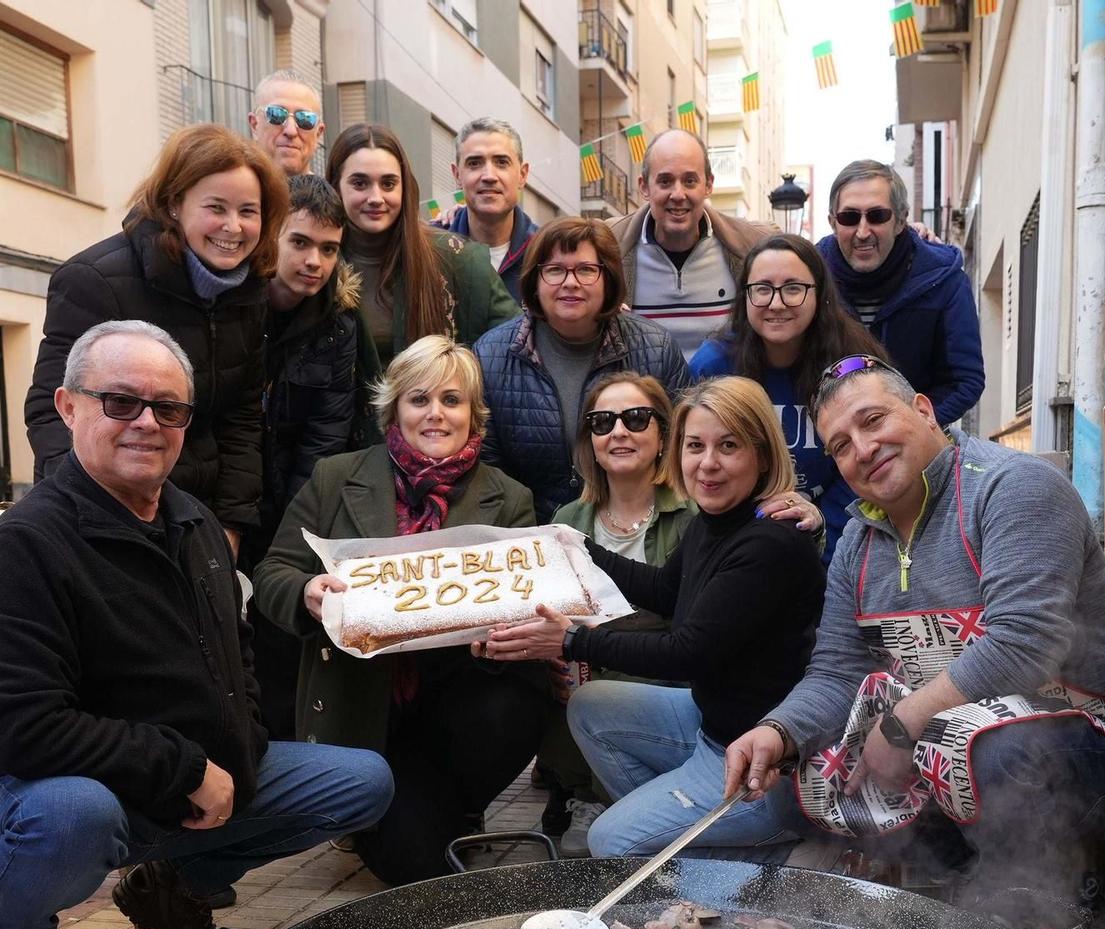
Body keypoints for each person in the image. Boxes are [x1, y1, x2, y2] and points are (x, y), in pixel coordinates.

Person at [0, 321, 393, 929]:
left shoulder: (192, 521)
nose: (147, 424)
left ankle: (174, 883)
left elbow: (238, 650)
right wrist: (188, 770)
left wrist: (240, 748)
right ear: (68, 408)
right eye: (121, 402)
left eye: (169, 408)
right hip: (50, 787)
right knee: (73, 815)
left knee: (361, 781)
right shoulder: (30, 542)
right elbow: (25, 732)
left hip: (176, 777)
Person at [723, 357, 1105, 900]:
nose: (863, 449)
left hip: (1093, 742)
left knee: (995, 753)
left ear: (924, 411)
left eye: (873, 420)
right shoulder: (857, 541)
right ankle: (955, 869)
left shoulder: (1012, 487)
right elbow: (836, 671)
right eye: (841, 445)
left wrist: (903, 723)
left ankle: (1049, 892)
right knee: (801, 776)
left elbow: (1028, 641)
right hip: (946, 743)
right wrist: (777, 731)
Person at [480, 377, 824, 859]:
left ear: (762, 454)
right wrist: (576, 548)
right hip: (711, 725)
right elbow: (664, 590)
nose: (708, 463)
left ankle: (761, 855)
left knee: (609, 840)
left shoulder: (769, 543)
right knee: (591, 706)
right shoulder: (716, 520)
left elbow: (688, 653)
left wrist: (571, 641)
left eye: (729, 446)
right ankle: (693, 840)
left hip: (758, 763)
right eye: (696, 446)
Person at [255, 336, 549, 885]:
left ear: (473, 414)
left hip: (457, 699)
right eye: (419, 399)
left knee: (514, 707)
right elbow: (274, 570)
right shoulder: (335, 477)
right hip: (365, 700)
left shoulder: (509, 496)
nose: (436, 414)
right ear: (394, 408)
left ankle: (456, 801)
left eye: (452, 400)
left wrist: (506, 628)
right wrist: (306, 593)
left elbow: (521, 593)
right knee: (415, 868)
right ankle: (377, 808)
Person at [26, 124, 287, 554]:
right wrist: (91, 515)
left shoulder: (250, 291)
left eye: (248, 211)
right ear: (174, 203)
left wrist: (229, 528)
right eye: (216, 207)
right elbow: (51, 412)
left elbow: (241, 420)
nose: (233, 226)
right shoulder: (94, 280)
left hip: (199, 525)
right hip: (106, 519)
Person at [533, 373, 695, 852]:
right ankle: (582, 794)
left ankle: (624, 805)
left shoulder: (693, 516)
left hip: (667, 680)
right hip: (581, 681)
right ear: (590, 441)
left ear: (663, 434)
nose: (618, 431)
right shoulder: (565, 522)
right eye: (602, 422)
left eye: (636, 418)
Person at [246, 173, 381, 737]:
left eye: (329, 249)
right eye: (299, 242)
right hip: (231, 499)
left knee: (281, 642)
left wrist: (287, 536)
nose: (314, 261)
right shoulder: (234, 306)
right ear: (272, 236)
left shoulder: (339, 323)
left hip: (293, 506)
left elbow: (325, 436)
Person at [475, 216, 691, 519]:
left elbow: (681, 446)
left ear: (609, 279)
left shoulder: (655, 349)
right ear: (534, 282)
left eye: (586, 270)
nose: (570, 282)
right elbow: (488, 468)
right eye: (554, 270)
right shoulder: (491, 355)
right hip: (529, 532)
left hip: (641, 528)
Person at [691, 234, 889, 555]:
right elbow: (696, 464)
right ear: (745, 296)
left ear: (820, 294)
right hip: (740, 545)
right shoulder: (714, 366)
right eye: (763, 289)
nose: (777, 303)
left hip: (845, 542)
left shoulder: (854, 364)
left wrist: (824, 528)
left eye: (793, 288)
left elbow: (872, 463)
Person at [325, 124, 520, 365]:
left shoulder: (458, 258)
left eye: (388, 184)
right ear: (335, 186)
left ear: (404, 187)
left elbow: (517, 343)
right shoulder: (314, 260)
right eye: (359, 183)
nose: (376, 198)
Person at [818, 161, 984, 427]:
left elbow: (964, 381)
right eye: (849, 217)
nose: (862, 232)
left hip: (915, 453)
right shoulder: (809, 278)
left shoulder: (943, 280)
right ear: (832, 222)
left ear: (900, 220)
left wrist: (908, 427)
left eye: (877, 216)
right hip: (829, 446)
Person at [604, 130, 772, 363]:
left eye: (690, 181)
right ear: (644, 187)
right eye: (665, 181)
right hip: (644, 396)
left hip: (725, 397)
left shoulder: (753, 246)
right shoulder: (606, 247)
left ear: (709, 185)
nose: (678, 194)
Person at [441, 118, 539, 305]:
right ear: (457, 175)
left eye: (501, 162)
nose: (488, 176)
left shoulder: (546, 253)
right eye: (474, 163)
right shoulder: (429, 249)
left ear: (523, 174)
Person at [247, 70, 327, 177]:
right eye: (276, 115)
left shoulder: (333, 194)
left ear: (318, 133)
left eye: (305, 119)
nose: (291, 131)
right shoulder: (231, 192)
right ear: (254, 125)